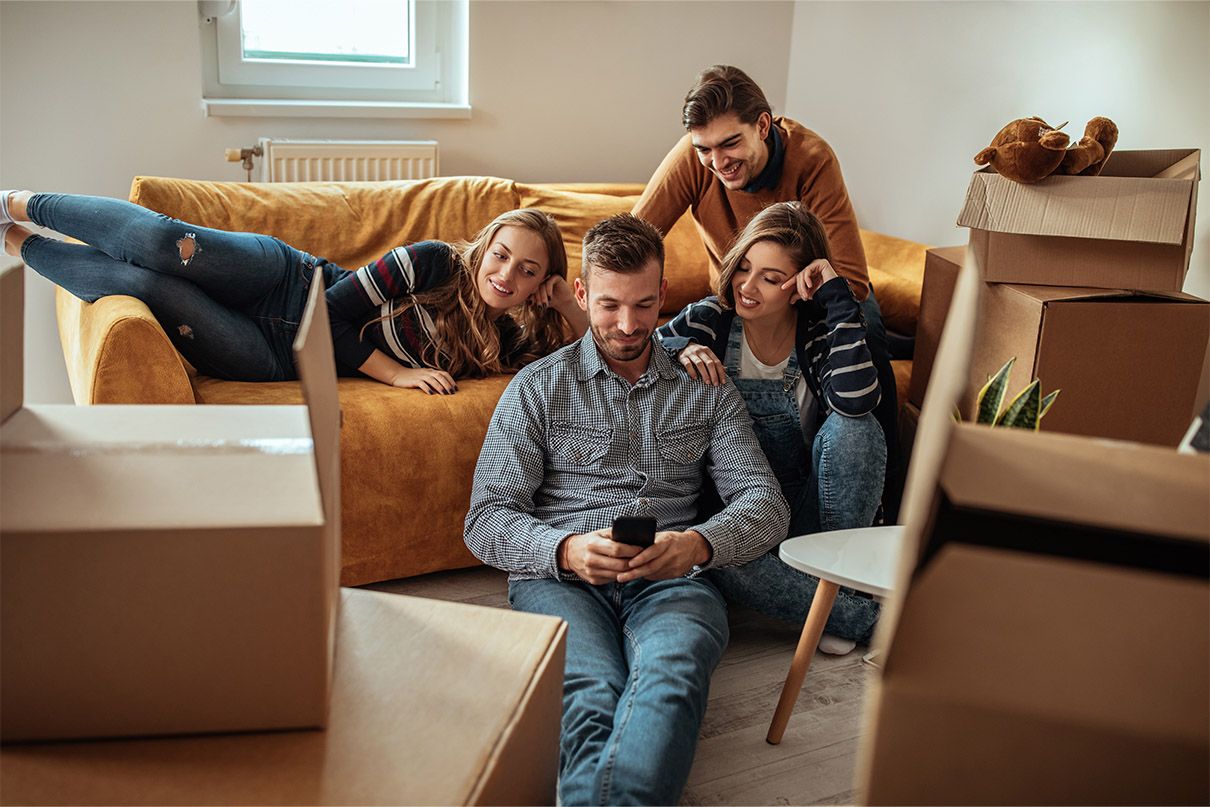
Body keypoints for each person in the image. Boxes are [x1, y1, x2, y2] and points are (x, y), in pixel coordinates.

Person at [464, 214, 789, 805]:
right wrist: (564, 550)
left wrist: (697, 545)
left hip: (674, 578)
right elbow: (485, 518)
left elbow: (764, 504)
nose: (628, 324)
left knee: (671, 680)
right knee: (590, 689)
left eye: (644, 305)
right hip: (558, 581)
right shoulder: (536, 387)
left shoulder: (704, 386)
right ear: (582, 294)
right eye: (610, 305)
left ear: (663, 293)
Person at [632, 64, 903, 519]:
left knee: (866, 331)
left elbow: (851, 281)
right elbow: (633, 239)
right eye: (705, 150)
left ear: (763, 125)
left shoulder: (813, 158)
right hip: (733, 295)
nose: (719, 162)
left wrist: (784, 288)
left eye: (730, 144)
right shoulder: (694, 157)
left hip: (810, 294)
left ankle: (886, 512)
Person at [0, 190, 587, 393]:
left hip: (278, 358)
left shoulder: (508, 341)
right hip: (287, 281)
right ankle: (14, 203)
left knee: (147, 286)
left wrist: (566, 304)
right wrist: (396, 372)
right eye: (502, 255)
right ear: (483, 247)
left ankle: (14, 243)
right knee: (164, 246)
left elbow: (591, 358)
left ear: (542, 281)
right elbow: (327, 313)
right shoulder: (433, 263)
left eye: (530, 272)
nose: (507, 276)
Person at [657, 201, 885, 653]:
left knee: (857, 430)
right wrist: (680, 346)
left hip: (813, 515)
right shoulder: (711, 320)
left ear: (800, 286)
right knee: (715, 563)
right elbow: (640, 346)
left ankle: (837, 585)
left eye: (771, 277)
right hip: (739, 515)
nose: (748, 286)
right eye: (743, 267)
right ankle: (859, 617)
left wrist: (837, 298)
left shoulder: (821, 333)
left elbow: (857, 402)